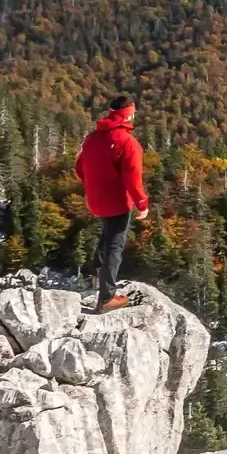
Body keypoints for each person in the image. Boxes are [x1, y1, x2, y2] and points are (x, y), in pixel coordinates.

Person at [75, 95, 149, 311]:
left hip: (95, 199)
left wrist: (93, 187)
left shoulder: (93, 138)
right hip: (117, 202)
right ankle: (106, 298)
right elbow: (132, 178)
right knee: (115, 245)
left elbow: (80, 167)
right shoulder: (128, 143)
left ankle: (96, 275)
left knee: (107, 234)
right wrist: (142, 204)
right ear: (129, 114)